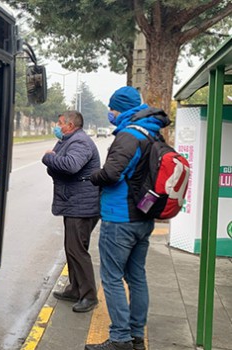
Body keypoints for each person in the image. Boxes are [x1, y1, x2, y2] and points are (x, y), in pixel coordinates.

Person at [85, 86, 170, 350]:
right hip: (144, 218)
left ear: (119, 108)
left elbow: (111, 174)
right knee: (136, 277)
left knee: (111, 278)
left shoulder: (128, 136)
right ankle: (135, 336)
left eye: (111, 107)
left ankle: (120, 338)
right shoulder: (153, 133)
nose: (109, 112)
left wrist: (92, 176)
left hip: (119, 218)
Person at [42, 110, 100, 313]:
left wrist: (48, 158)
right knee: (71, 248)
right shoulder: (69, 139)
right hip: (74, 202)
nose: (56, 126)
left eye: (59, 123)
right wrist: (53, 162)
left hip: (82, 205)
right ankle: (75, 289)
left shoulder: (80, 142)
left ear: (71, 124)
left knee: (77, 250)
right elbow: (58, 167)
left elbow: (70, 166)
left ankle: (89, 295)